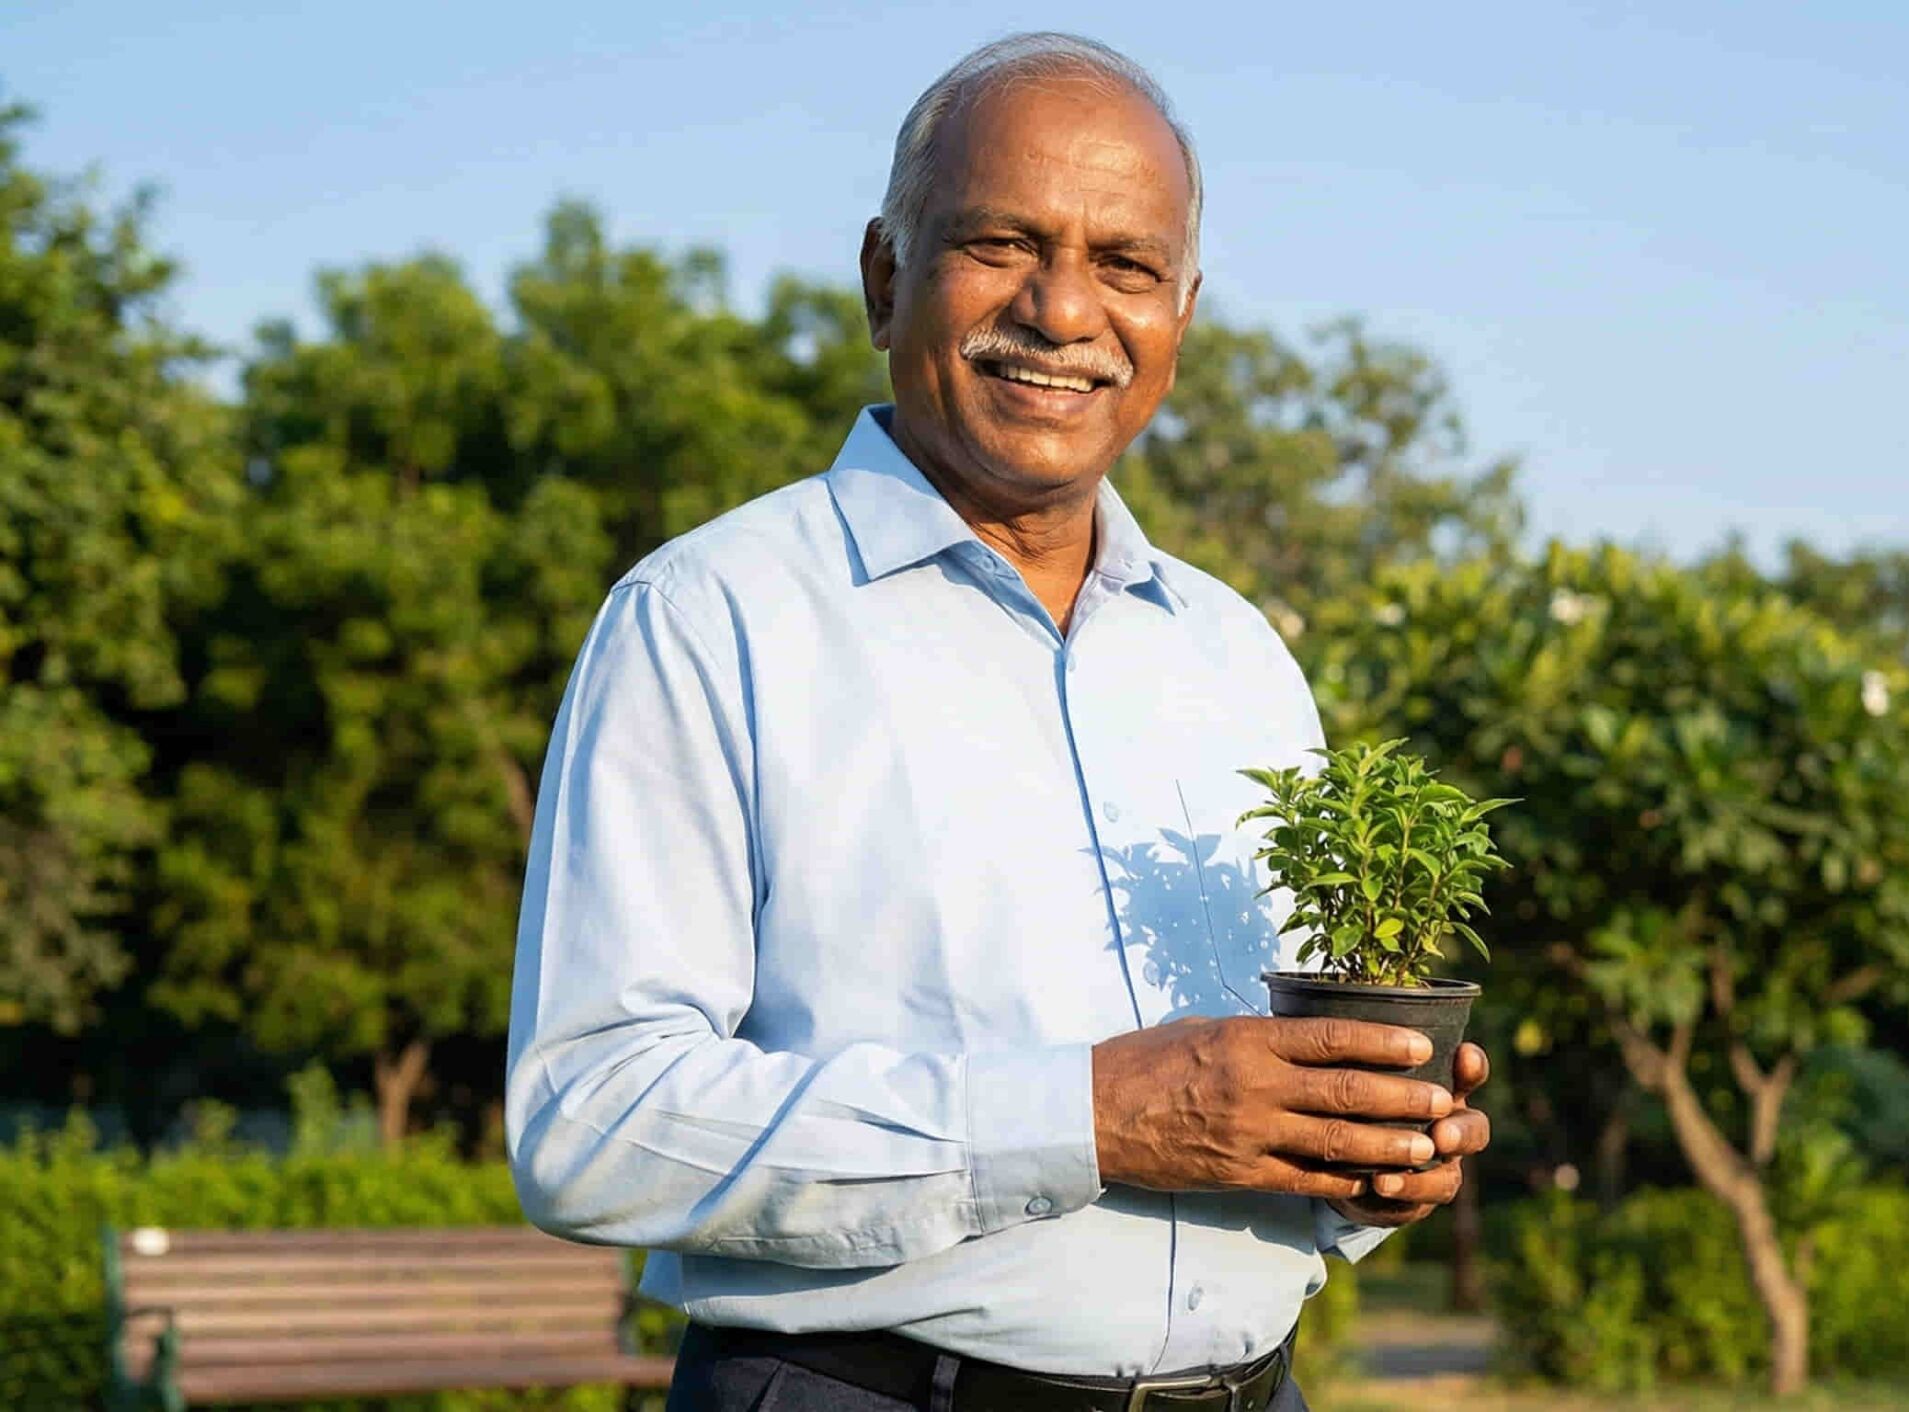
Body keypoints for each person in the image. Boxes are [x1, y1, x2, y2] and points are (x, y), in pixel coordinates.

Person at [504, 32, 1492, 1412]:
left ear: (1182, 314)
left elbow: (1245, 1115)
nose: (1064, 310)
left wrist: (1366, 1151)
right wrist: (1087, 1116)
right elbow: (592, 1127)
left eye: (1126, 264)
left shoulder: (1238, 658)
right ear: (884, 276)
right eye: (999, 244)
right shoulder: (713, 618)